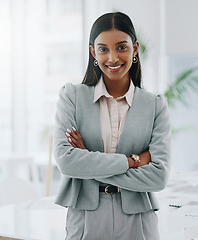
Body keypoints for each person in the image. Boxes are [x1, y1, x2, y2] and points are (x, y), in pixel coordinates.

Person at [53, 12, 171, 240]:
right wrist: (132, 161)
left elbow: (158, 177)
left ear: (135, 49)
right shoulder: (72, 97)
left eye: (121, 47)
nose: (113, 57)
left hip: (138, 219)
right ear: (93, 52)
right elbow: (66, 161)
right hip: (86, 217)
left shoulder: (155, 104)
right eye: (103, 49)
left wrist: (88, 160)